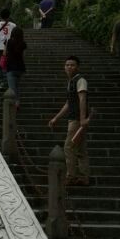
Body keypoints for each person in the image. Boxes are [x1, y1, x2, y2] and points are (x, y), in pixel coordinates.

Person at [48, 55, 90, 187]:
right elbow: (68, 103)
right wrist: (56, 118)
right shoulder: (71, 82)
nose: (69, 67)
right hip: (74, 118)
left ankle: (71, 176)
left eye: (72, 65)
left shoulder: (80, 80)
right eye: (67, 65)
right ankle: (84, 177)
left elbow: (82, 99)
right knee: (80, 149)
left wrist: (82, 118)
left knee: (68, 147)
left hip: (77, 119)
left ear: (77, 67)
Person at [0, 8, 16, 90]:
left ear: (0, 16)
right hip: (11, 49)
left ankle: (1, 82)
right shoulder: (13, 25)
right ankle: (9, 82)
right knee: (9, 65)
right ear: (9, 15)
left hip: (0, 48)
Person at [5, 26, 27, 107]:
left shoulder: (9, 42)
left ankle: (14, 104)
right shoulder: (23, 43)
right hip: (20, 68)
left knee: (12, 87)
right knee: (17, 86)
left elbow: (4, 53)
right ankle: (17, 102)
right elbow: (24, 56)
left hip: (10, 67)